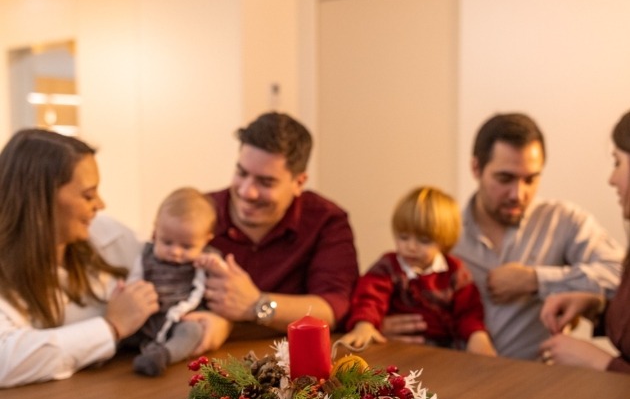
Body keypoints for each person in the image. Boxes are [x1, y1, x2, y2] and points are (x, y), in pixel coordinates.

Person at [384, 113, 624, 360]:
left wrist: (536, 281)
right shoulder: (440, 231)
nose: (518, 194)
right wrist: (381, 326)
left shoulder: (563, 221)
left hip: (534, 382)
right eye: (505, 178)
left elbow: (621, 276)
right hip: (449, 377)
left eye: (531, 179)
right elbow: (388, 284)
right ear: (476, 168)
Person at [0, 129, 159, 388]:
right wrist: (112, 327)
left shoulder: (109, 235)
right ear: (41, 200)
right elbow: (5, 361)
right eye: (88, 195)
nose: (100, 204)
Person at [200, 112, 359, 343]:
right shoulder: (198, 212)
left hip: (290, 361)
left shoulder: (326, 220)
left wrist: (256, 305)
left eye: (265, 182)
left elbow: (333, 308)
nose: (246, 192)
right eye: (241, 173)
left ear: (299, 183)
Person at [340, 186, 495, 356]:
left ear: (443, 241)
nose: (411, 247)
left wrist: (477, 335)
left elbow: (468, 310)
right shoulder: (389, 266)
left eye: (424, 240)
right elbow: (370, 297)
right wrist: (365, 324)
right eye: (403, 237)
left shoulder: (454, 271)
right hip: (397, 349)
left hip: (446, 354)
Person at [539, 111, 630, 373]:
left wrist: (599, 362)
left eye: (617, 163)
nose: (611, 179)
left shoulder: (567, 219)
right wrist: (596, 306)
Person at [127, 187, 220, 377]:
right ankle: (108, 349)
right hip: (148, 316)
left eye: (186, 246)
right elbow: (134, 279)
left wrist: (216, 267)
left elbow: (223, 282)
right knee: (124, 325)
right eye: (167, 242)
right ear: (155, 232)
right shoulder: (146, 255)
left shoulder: (206, 259)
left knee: (193, 331)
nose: (175, 252)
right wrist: (127, 292)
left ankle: (163, 355)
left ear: (206, 240)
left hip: (181, 318)